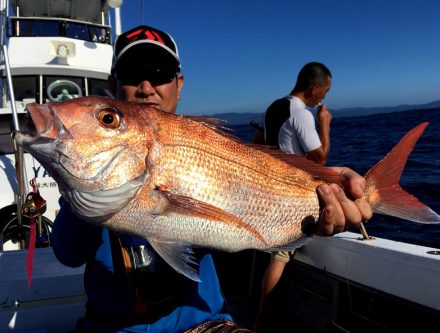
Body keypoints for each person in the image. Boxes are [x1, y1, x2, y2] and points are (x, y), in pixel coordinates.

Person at [51, 26, 371, 333]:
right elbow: (69, 253)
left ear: (179, 83)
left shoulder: (205, 148)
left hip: (206, 324)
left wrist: (327, 181)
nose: (146, 87)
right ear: (112, 83)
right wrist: (81, 186)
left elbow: (257, 192)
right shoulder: (91, 165)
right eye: (133, 74)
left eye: (160, 74)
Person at [254, 62, 340, 333]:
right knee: (280, 258)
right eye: (324, 91)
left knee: (274, 255)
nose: (324, 97)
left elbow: (258, 143)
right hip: (288, 194)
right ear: (314, 88)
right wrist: (324, 124)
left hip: (267, 190)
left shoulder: (274, 107)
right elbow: (319, 158)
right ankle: (262, 322)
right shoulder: (300, 113)